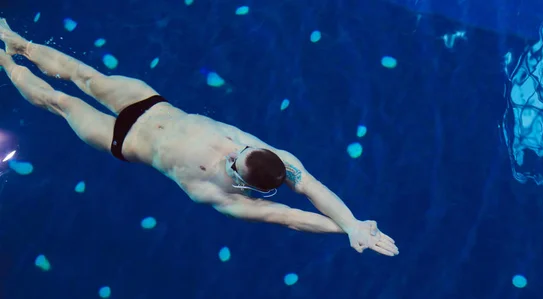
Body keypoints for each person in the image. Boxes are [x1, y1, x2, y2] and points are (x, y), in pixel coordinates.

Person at [0, 18, 398, 256]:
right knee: (86, 75)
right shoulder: (274, 157)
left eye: (233, 162)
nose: (231, 150)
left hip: (121, 141)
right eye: (240, 149)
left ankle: (3, 59)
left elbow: (291, 216)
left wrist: (346, 231)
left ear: (241, 180)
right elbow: (311, 186)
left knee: (59, 101)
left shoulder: (225, 197)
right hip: (149, 103)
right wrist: (351, 221)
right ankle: (16, 40)